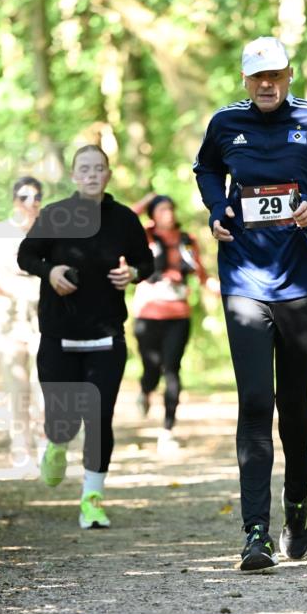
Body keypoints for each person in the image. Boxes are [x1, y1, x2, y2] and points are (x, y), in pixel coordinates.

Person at [193, 36, 307, 571]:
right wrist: (217, 207)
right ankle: (255, 534)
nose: (266, 84)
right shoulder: (226, 124)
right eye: (257, 77)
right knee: (253, 403)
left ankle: (296, 506)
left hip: (302, 284)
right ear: (245, 81)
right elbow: (205, 169)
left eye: (275, 75)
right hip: (244, 281)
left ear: (290, 75)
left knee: (291, 403)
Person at [18, 145, 154, 528]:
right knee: (64, 421)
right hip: (59, 334)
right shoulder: (56, 214)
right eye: (85, 169)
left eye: (99, 168)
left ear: (108, 174)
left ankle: (92, 499)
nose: (92, 174)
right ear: (75, 176)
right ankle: (56, 443)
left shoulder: (124, 219)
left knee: (98, 419)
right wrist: (51, 271)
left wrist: (134, 275)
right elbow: (25, 256)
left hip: (107, 336)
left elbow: (147, 261)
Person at [130, 192, 219, 452]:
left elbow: (202, 276)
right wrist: (148, 198)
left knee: (172, 370)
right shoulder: (144, 235)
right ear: (153, 215)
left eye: (171, 208)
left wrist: (223, 289)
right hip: (147, 315)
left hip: (178, 316)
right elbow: (125, 219)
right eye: (162, 210)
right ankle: (145, 391)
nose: (168, 213)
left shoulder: (187, 240)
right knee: (151, 369)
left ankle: (167, 430)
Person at [0, 176, 45, 473]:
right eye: (24, 198)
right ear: (15, 201)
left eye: (35, 197)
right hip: (7, 317)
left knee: (44, 385)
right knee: (17, 387)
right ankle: (21, 447)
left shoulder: (49, 232)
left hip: (44, 317)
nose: (30, 203)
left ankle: (46, 443)